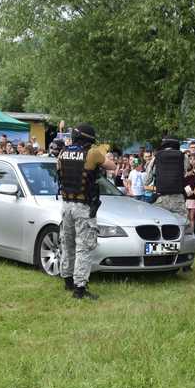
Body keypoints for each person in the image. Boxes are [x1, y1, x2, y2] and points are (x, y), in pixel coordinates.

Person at [58, 123, 116, 300]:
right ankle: (80, 288)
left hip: (66, 204)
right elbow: (111, 166)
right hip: (83, 207)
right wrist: (102, 152)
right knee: (84, 246)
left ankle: (67, 280)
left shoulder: (62, 153)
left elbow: (59, 172)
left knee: (67, 244)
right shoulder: (93, 153)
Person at [145, 138, 188, 219]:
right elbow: (184, 173)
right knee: (182, 224)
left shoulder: (156, 157)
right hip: (178, 198)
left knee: (162, 224)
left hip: (161, 198)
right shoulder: (183, 156)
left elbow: (147, 180)